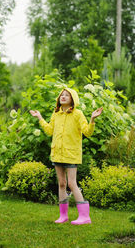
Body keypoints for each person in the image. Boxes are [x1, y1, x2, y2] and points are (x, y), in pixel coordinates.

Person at [30, 88, 103, 225]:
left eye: (66, 95)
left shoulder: (78, 114)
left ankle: (85, 216)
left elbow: (87, 132)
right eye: (61, 95)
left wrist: (92, 119)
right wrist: (39, 118)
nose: (63, 97)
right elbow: (49, 130)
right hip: (57, 153)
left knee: (71, 183)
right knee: (62, 183)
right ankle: (63, 215)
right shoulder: (56, 114)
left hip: (71, 154)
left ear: (73, 99)